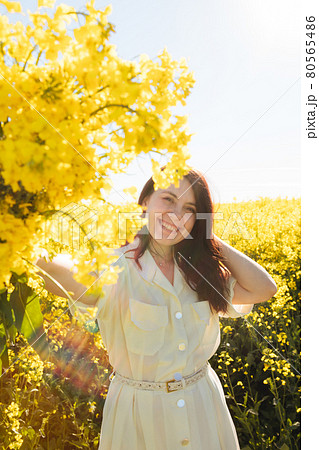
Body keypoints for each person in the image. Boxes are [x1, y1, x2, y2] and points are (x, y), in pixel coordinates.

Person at [36, 166, 277, 449]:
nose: (176, 215)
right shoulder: (115, 265)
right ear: (145, 201)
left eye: (189, 208)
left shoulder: (202, 270)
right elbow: (57, 272)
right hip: (138, 416)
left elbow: (264, 288)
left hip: (202, 407)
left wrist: (207, 237)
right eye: (169, 200)